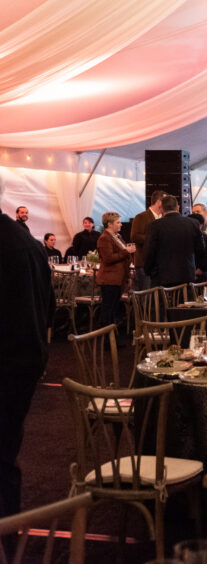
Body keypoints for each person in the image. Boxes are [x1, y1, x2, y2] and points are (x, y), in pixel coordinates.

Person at [0, 175, 54, 522]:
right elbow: (49, 308)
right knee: (5, 456)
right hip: (24, 361)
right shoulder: (28, 242)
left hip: (8, 360)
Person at [144, 195, 207, 288]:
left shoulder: (154, 226)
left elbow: (149, 252)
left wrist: (148, 271)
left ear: (161, 209)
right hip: (186, 276)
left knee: (163, 298)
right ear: (177, 208)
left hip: (162, 277)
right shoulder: (192, 223)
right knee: (185, 297)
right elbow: (200, 249)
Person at [96, 212, 135, 329]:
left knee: (113, 310)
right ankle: (105, 336)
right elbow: (108, 258)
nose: (121, 224)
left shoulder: (117, 237)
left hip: (118, 279)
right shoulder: (104, 238)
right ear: (109, 224)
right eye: (118, 222)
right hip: (109, 279)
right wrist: (126, 251)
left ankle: (111, 335)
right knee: (108, 310)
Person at [130, 190, 165, 289]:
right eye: (165, 201)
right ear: (159, 202)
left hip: (161, 264)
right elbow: (135, 236)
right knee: (147, 294)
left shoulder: (164, 217)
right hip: (144, 264)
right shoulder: (141, 217)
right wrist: (155, 238)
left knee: (159, 295)